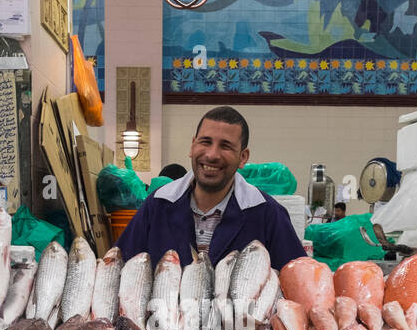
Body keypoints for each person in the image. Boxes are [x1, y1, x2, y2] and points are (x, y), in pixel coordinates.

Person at [115, 106, 306, 270]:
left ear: (243, 157)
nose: (212, 154)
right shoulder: (157, 205)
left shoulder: (267, 214)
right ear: (192, 146)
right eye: (205, 142)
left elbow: (297, 281)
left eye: (226, 146)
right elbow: (119, 267)